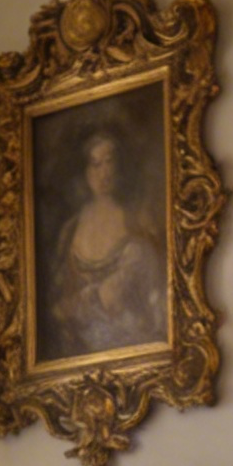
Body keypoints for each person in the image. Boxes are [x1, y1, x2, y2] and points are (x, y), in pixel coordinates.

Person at [46, 126, 167, 360]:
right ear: (85, 171)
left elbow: (157, 292)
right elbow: (60, 301)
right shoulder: (70, 230)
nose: (104, 172)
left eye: (109, 162)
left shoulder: (138, 220)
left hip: (136, 346)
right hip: (81, 353)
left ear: (119, 167)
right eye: (95, 164)